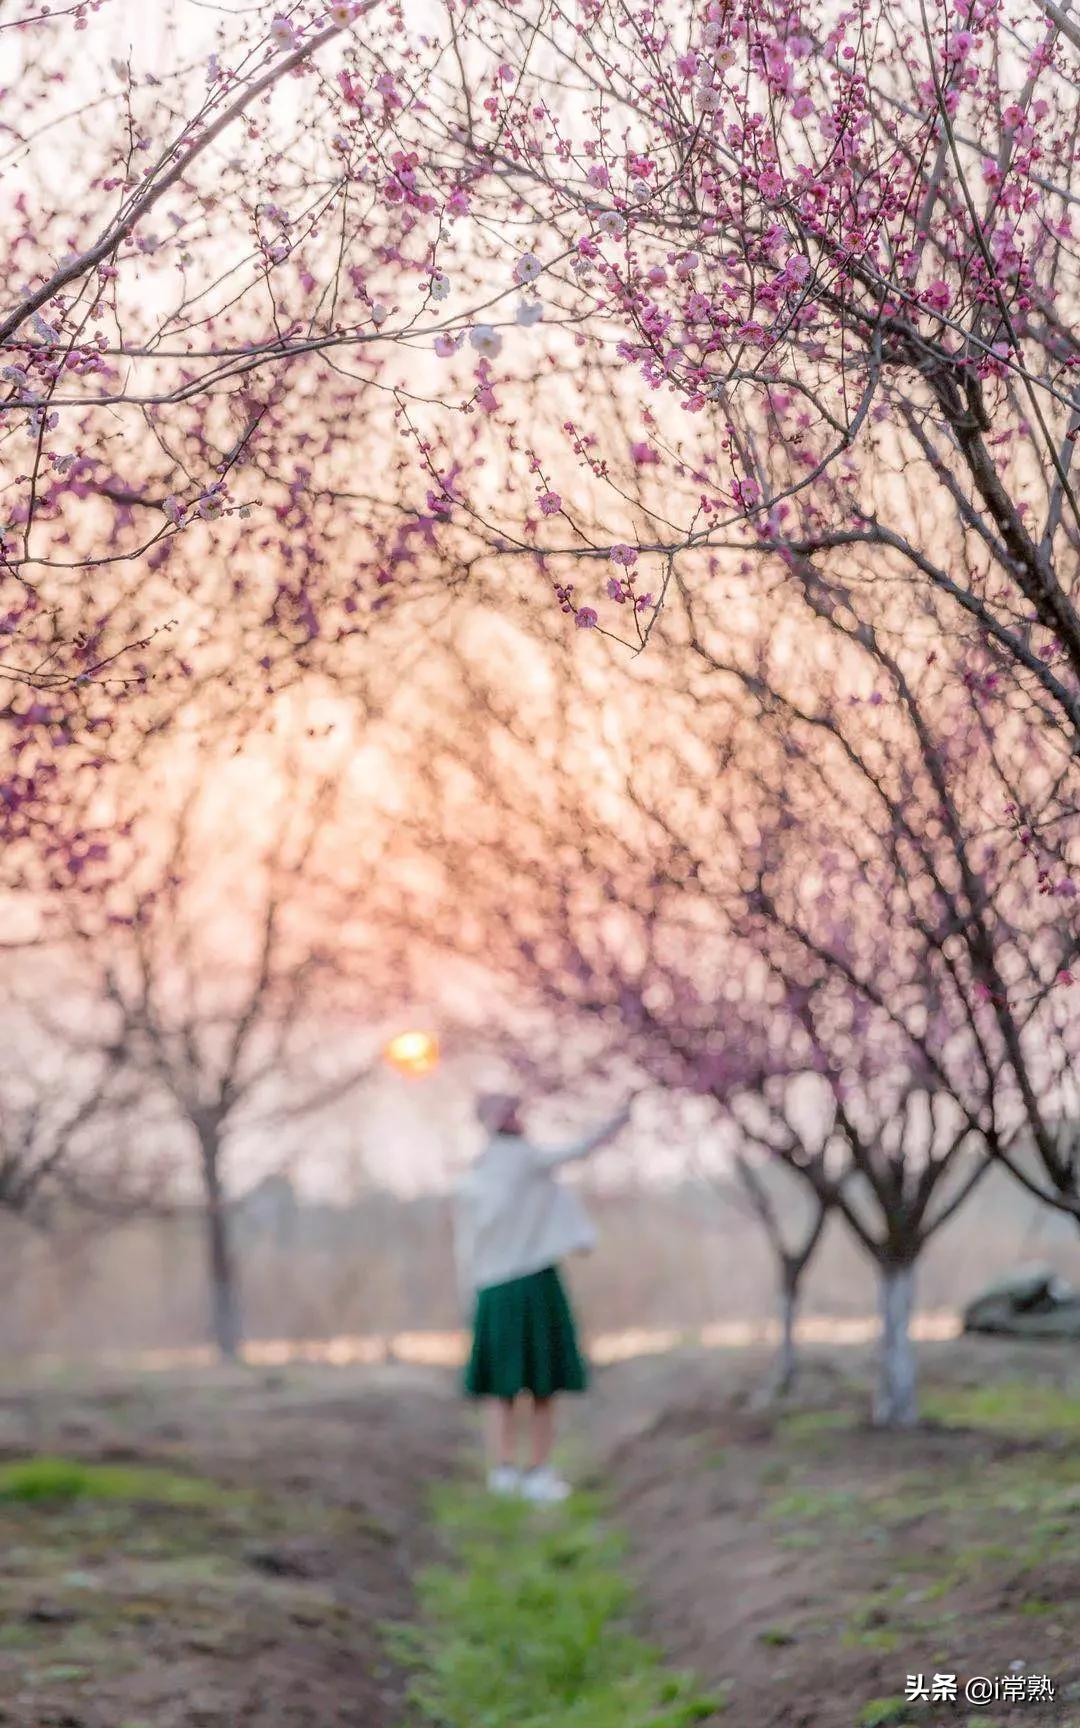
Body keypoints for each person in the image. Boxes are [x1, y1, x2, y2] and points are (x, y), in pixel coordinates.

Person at [455, 1089, 634, 1503]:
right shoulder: (510, 1165)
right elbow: (582, 1148)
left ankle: (518, 1472)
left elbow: (464, 1249)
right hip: (519, 1284)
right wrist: (621, 1117)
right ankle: (521, 1471)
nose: (518, 1118)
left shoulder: (485, 1172)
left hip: (507, 1285)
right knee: (530, 1388)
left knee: (526, 1388)